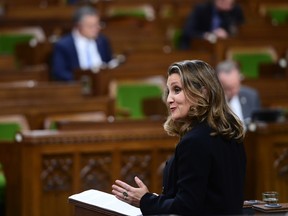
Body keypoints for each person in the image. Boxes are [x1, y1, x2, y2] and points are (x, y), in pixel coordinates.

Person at [112, 60, 246, 215]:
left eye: (177, 90)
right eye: (168, 91)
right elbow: (209, 198)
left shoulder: (195, 141)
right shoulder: (230, 131)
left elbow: (187, 207)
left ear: (203, 92)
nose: (169, 99)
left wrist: (145, 200)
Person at [51, 5, 114, 81]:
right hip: (77, 86)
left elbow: (109, 63)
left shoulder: (102, 41)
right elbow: (59, 72)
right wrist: (82, 81)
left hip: (102, 82)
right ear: (78, 26)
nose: (96, 29)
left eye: (97, 24)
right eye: (91, 26)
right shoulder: (63, 45)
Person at [180, 0, 245, 49]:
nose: (228, 6)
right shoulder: (201, 9)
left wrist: (227, 34)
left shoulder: (235, 10)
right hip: (200, 47)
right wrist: (206, 35)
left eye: (231, 4)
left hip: (224, 47)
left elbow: (241, 31)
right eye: (224, 2)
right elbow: (188, 31)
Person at [216, 60, 261, 126]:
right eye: (229, 88)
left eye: (236, 86)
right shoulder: (213, 102)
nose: (234, 91)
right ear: (218, 84)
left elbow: (259, 123)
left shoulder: (251, 96)